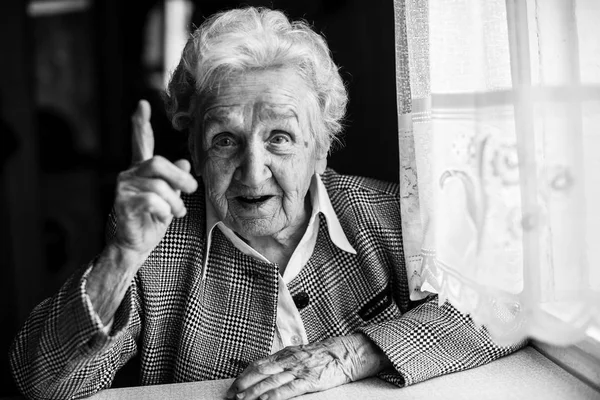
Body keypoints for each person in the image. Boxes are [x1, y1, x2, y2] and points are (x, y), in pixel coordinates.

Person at [9, 7, 523, 400]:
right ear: (193, 150)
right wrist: (119, 256)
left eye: (280, 137)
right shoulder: (155, 251)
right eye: (224, 140)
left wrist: (353, 353)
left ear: (321, 147)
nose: (253, 172)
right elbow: (41, 382)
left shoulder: (391, 217)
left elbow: (509, 304)